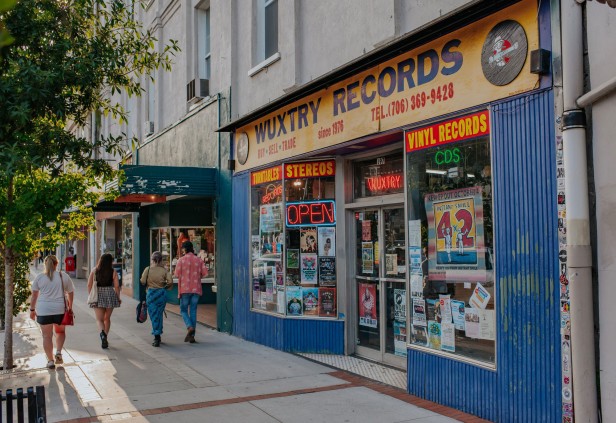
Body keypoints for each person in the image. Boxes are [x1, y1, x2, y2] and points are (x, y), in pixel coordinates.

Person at [30, 255, 75, 369]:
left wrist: (32, 310)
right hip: (59, 309)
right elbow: (70, 292)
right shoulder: (63, 276)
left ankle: (50, 361)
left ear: (45, 264)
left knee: (47, 336)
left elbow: (34, 296)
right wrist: (70, 306)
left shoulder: (39, 277)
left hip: (44, 310)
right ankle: (58, 352)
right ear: (56, 264)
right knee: (60, 332)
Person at [174, 241, 208, 343]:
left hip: (185, 289)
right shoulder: (198, 260)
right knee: (193, 310)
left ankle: (189, 327)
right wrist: (198, 277)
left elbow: (176, 274)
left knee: (183, 310)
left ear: (184, 249)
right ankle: (192, 336)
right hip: (196, 289)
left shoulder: (181, 260)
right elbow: (205, 274)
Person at [87, 253, 122, 349]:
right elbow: (117, 286)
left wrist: (91, 295)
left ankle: (102, 335)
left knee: (99, 319)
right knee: (107, 318)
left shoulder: (94, 270)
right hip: (110, 295)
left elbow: (89, 285)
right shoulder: (113, 271)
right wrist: (118, 297)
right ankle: (105, 336)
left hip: (98, 296)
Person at [140, 251, 173, 347]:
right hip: (161, 294)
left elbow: (142, 281)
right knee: (159, 314)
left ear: (152, 260)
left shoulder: (148, 269)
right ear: (161, 260)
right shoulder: (164, 270)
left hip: (151, 294)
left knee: (154, 315)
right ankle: (158, 332)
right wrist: (165, 287)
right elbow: (170, 281)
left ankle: (156, 336)